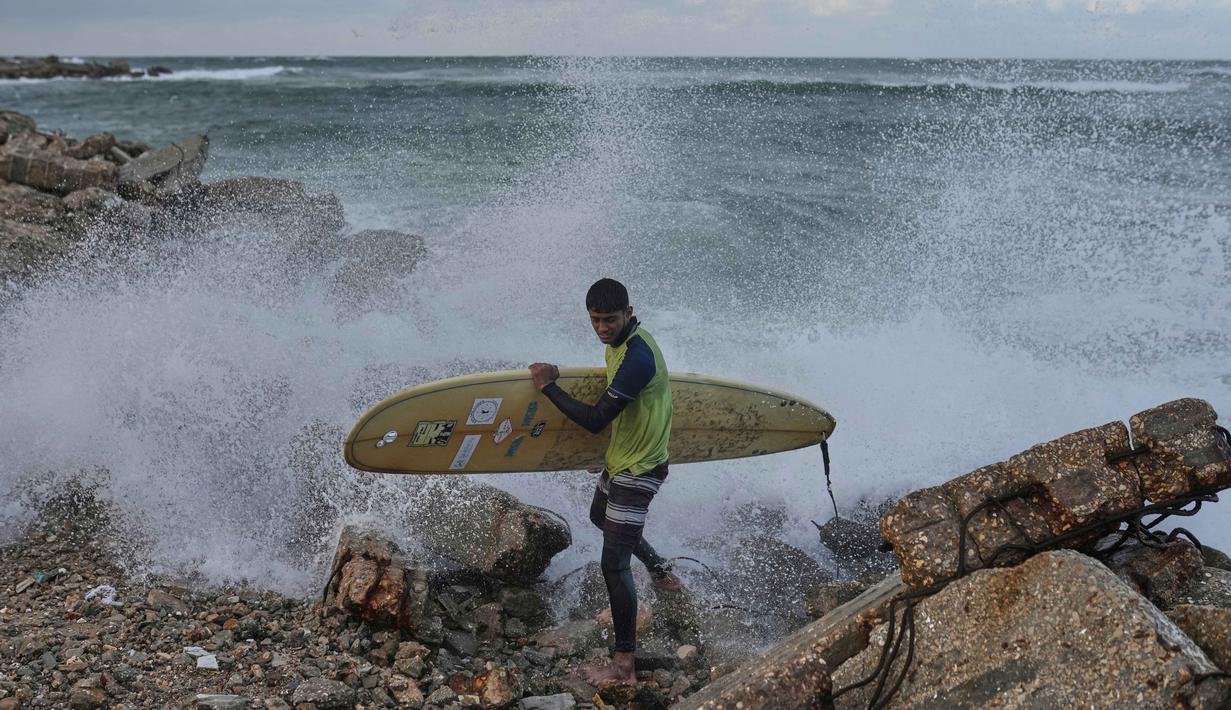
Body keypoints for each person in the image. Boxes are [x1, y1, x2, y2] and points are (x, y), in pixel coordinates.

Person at [529, 277, 681, 686]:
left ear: (628, 313)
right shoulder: (621, 343)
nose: (601, 328)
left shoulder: (638, 358)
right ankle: (661, 570)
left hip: (640, 470)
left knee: (613, 565)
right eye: (595, 320)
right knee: (599, 516)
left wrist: (549, 387)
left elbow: (596, 420)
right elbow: (622, 408)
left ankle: (624, 665)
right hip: (621, 459)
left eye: (609, 320)